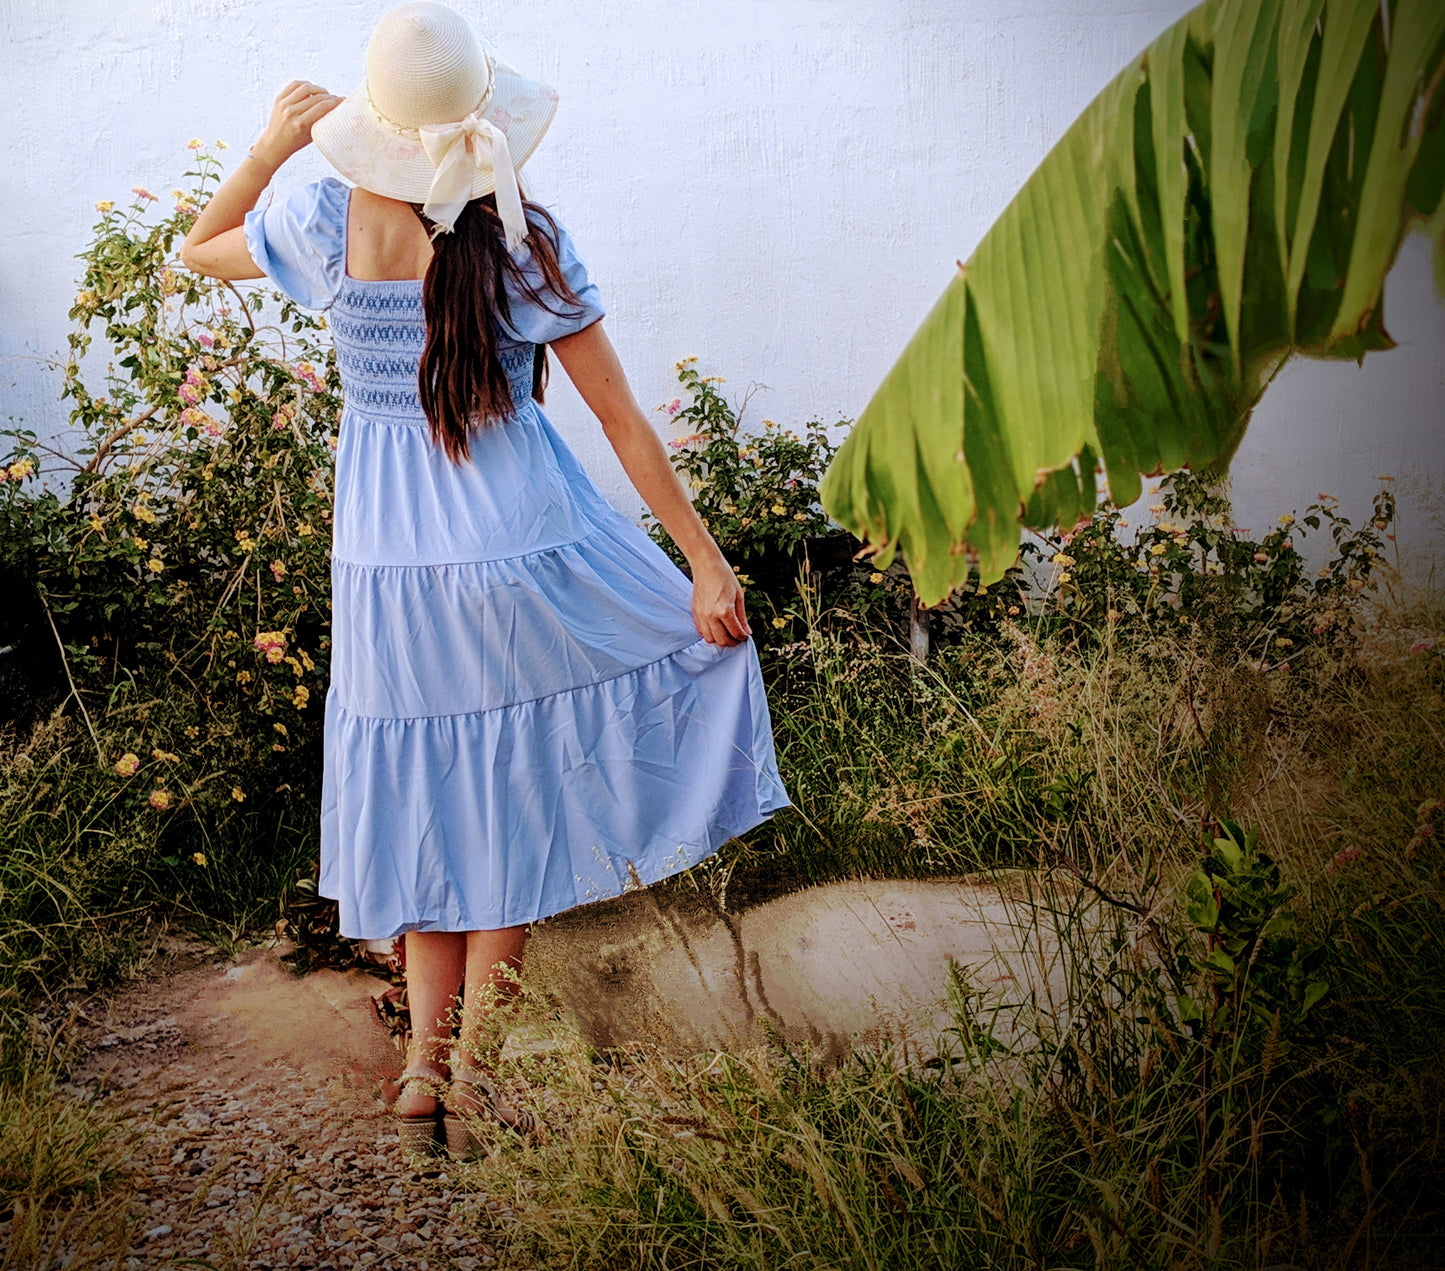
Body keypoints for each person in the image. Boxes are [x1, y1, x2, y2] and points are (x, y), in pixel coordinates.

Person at [180, 0, 790, 1157]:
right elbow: (621, 424)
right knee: (505, 803)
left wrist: (268, 146)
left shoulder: (324, 212)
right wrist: (702, 564)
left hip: (386, 564)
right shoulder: (522, 235)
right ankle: (473, 1071)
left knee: (421, 795)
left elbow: (199, 247)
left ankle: (418, 1067)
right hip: (515, 544)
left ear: (374, 127)